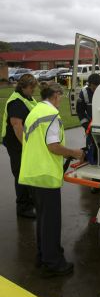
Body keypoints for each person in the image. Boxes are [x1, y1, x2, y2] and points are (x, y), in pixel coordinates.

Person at [19, 82, 84, 277]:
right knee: (51, 221)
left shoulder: (35, 111)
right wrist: (75, 153)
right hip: (45, 175)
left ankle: (44, 254)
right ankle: (53, 263)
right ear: (55, 95)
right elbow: (53, 146)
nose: (61, 99)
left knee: (43, 219)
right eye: (61, 95)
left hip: (33, 173)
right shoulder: (51, 116)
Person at [2, 73, 38, 218]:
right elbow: (17, 126)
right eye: (31, 87)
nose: (33, 90)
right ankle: (23, 207)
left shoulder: (27, 97)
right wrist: (26, 146)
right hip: (16, 142)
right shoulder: (16, 101)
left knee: (27, 172)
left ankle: (29, 201)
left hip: (23, 142)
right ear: (23, 87)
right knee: (21, 174)